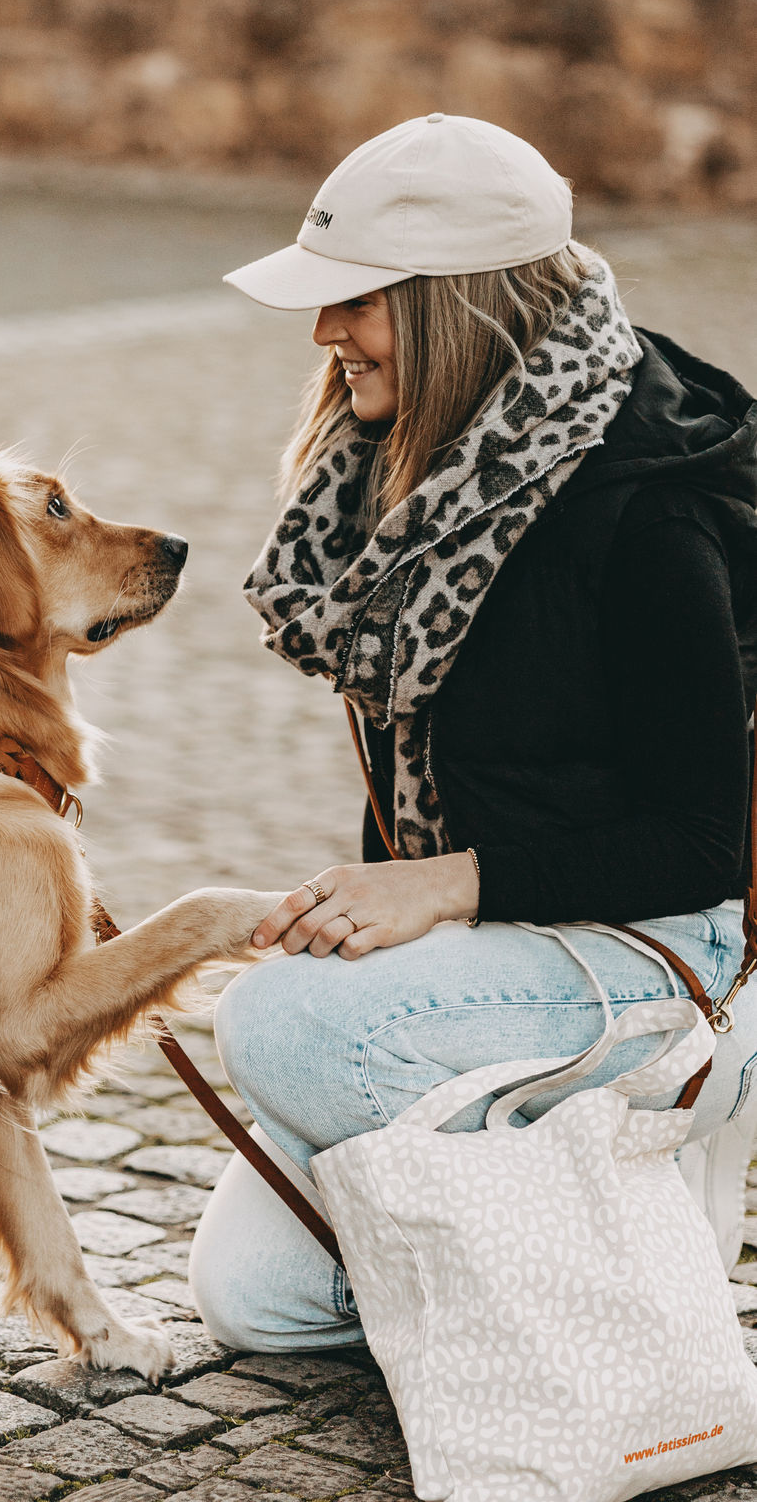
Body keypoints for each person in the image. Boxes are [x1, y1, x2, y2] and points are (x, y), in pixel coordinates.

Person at [187, 113, 757, 1354]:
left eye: (356, 301)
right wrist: (390, 913)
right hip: (494, 947)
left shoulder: (643, 510)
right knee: (254, 1296)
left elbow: (700, 843)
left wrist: (443, 886)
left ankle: (619, 1261)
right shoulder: (399, 478)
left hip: (659, 946)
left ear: (453, 305)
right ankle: (561, 1230)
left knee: (278, 1024)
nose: (324, 332)